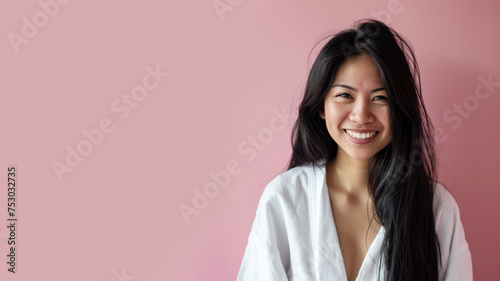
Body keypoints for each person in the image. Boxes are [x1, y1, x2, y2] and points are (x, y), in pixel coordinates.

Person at [236, 19, 473, 281]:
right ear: (321, 106)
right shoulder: (284, 199)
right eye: (345, 96)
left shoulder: (437, 209)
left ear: (400, 111)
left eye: (381, 98)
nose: (361, 115)